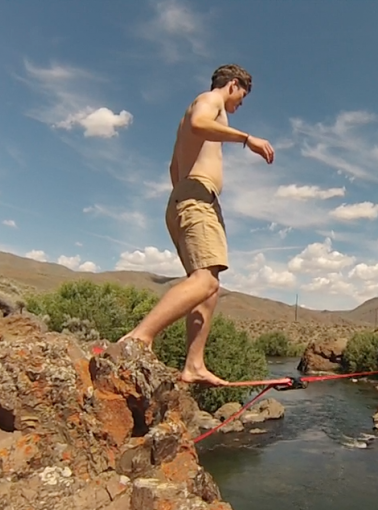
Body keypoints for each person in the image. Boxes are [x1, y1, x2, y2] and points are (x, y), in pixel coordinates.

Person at [118, 64, 275, 386]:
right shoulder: (210, 100)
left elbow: (173, 166)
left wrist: (183, 195)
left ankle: (194, 364)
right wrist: (248, 139)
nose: (240, 105)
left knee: (208, 286)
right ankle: (138, 338)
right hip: (196, 198)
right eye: (242, 97)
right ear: (233, 85)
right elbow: (199, 123)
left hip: (187, 197)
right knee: (205, 282)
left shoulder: (202, 113)